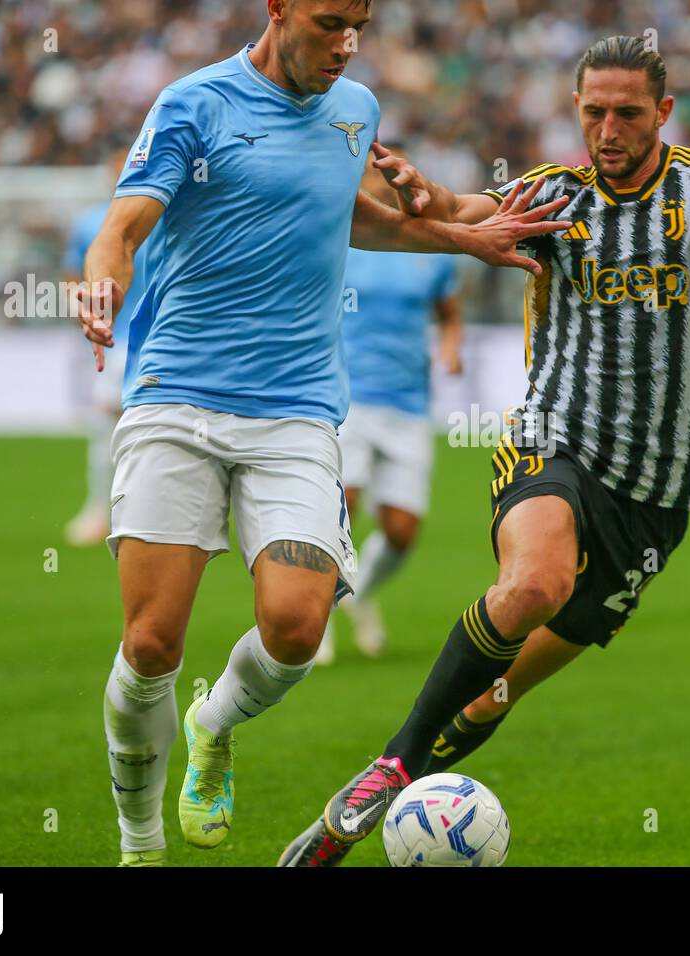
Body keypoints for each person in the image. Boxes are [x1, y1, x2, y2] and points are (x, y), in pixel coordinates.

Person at [278, 34, 690, 867]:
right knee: (534, 583)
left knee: (489, 697)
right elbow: (467, 215)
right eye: (593, 112)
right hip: (552, 443)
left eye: (628, 113)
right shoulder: (555, 195)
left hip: (657, 500)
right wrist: (425, 198)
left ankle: (380, 807)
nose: (609, 129)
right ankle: (386, 773)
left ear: (664, 113)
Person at [74, 0, 572, 866]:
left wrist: (465, 238)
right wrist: (100, 284)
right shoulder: (195, 104)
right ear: (277, 9)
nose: (347, 43)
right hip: (177, 397)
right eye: (330, 22)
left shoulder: (356, 110)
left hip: (298, 408)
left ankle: (214, 723)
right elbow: (124, 224)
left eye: (361, 26)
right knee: (152, 642)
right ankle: (140, 841)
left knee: (299, 629)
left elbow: (352, 215)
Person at [317, 143, 463, 664]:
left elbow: (448, 310)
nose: (381, 185)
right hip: (347, 396)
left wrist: (450, 346)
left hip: (408, 401)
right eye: (372, 177)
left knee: (401, 531)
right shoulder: (343, 238)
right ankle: (318, 616)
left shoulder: (425, 247)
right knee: (343, 508)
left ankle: (358, 594)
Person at [62, 147, 159, 547]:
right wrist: (82, 310)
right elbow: (71, 277)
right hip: (116, 342)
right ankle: (99, 508)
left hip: (163, 338)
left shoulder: (165, 214)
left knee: (159, 432)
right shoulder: (90, 222)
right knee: (105, 428)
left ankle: (147, 512)